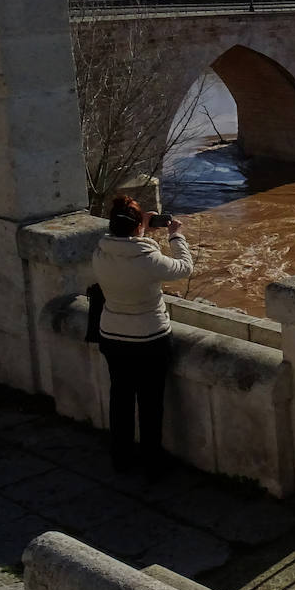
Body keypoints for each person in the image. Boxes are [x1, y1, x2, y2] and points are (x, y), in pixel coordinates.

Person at [92, 195, 194, 475]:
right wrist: (175, 236)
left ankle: (121, 458)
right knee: (150, 403)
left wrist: (140, 228)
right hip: (149, 339)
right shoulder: (149, 260)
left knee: (120, 398)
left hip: (112, 337)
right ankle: (152, 462)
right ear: (138, 227)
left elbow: (121, 242)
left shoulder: (100, 252)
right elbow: (184, 267)